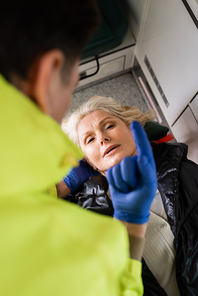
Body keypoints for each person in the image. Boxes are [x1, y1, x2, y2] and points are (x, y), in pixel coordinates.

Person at [0, 2, 158, 296]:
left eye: (110, 126)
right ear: (50, 71)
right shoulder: (78, 228)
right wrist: (133, 226)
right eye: (74, 79)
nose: (102, 139)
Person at [61, 96, 198, 296]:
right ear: (90, 163)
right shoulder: (87, 219)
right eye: (89, 139)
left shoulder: (182, 168)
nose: (101, 138)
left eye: (108, 126)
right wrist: (63, 185)